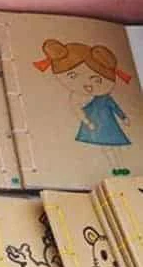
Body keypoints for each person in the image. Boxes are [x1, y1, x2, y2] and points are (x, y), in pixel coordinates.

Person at [39, 39, 134, 175]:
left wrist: (123, 117)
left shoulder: (104, 96)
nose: (87, 85)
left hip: (110, 125)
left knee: (116, 147)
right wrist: (88, 122)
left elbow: (114, 106)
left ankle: (120, 167)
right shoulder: (77, 97)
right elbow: (77, 110)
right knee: (106, 148)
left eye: (97, 79)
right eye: (73, 76)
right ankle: (115, 168)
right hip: (96, 126)